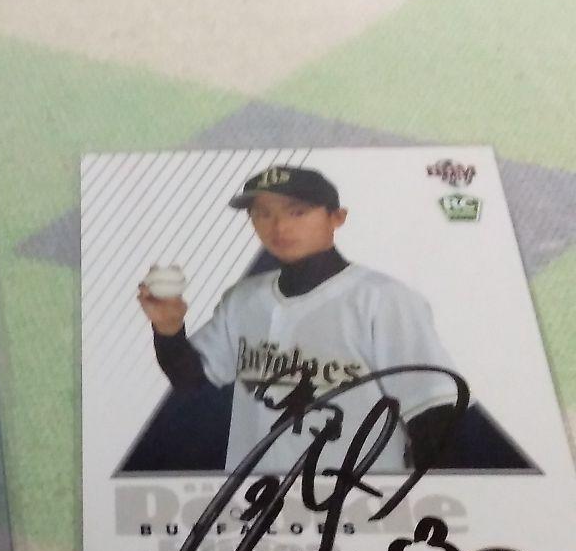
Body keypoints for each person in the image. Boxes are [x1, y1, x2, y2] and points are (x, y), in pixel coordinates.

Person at [138, 165, 461, 475]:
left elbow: (433, 411)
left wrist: (419, 500)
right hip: (252, 496)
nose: (279, 227)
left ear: (337, 217)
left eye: (297, 212)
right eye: (264, 214)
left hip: (355, 496)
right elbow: (191, 378)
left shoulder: (383, 299)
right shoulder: (242, 299)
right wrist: (168, 330)